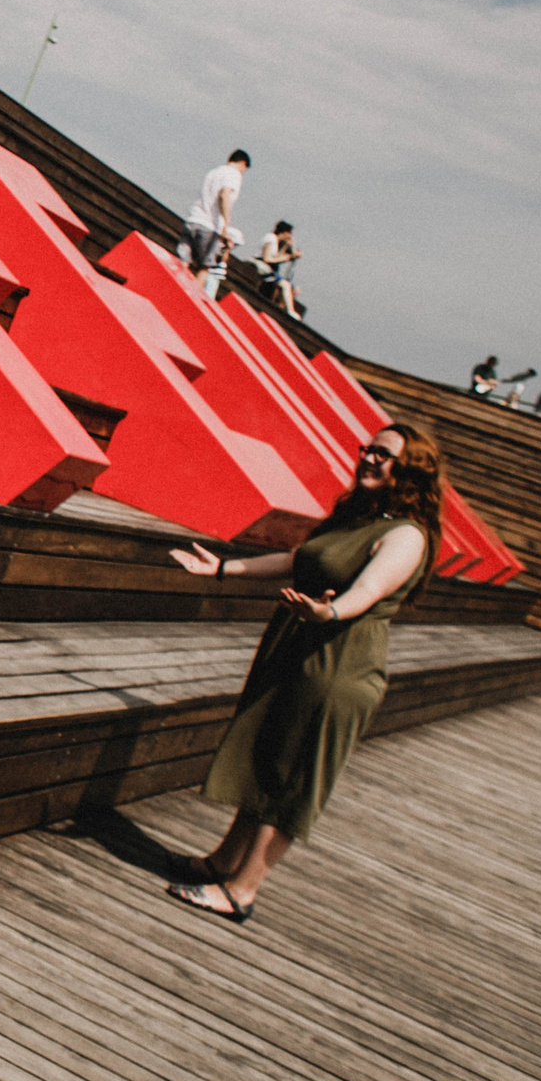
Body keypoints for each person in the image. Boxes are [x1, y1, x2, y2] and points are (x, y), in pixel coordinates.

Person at [159, 423, 443, 922]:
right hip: (300, 653)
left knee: (294, 780)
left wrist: (330, 613)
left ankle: (242, 891)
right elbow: (297, 560)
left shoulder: (405, 536)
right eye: (368, 449)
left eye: (385, 455)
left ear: (411, 472)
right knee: (269, 761)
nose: (369, 459)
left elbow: (369, 590)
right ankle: (223, 862)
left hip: (339, 665)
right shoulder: (357, 517)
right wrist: (224, 569)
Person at [178, 149, 248, 299]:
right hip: (209, 225)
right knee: (205, 267)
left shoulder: (214, 172)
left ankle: (175, 290)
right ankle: (190, 298)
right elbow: (224, 194)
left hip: (193, 219)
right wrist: (226, 225)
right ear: (243, 164)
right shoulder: (234, 174)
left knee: (184, 261)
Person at [256, 221, 301, 316]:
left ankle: (284, 309)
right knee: (286, 285)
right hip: (262, 266)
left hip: (266, 267)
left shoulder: (275, 240)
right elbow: (267, 258)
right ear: (285, 232)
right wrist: (287, 257)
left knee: (292, 288)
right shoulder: (271, 238)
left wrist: (285, 248)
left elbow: (275, 256)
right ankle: (290, 311)